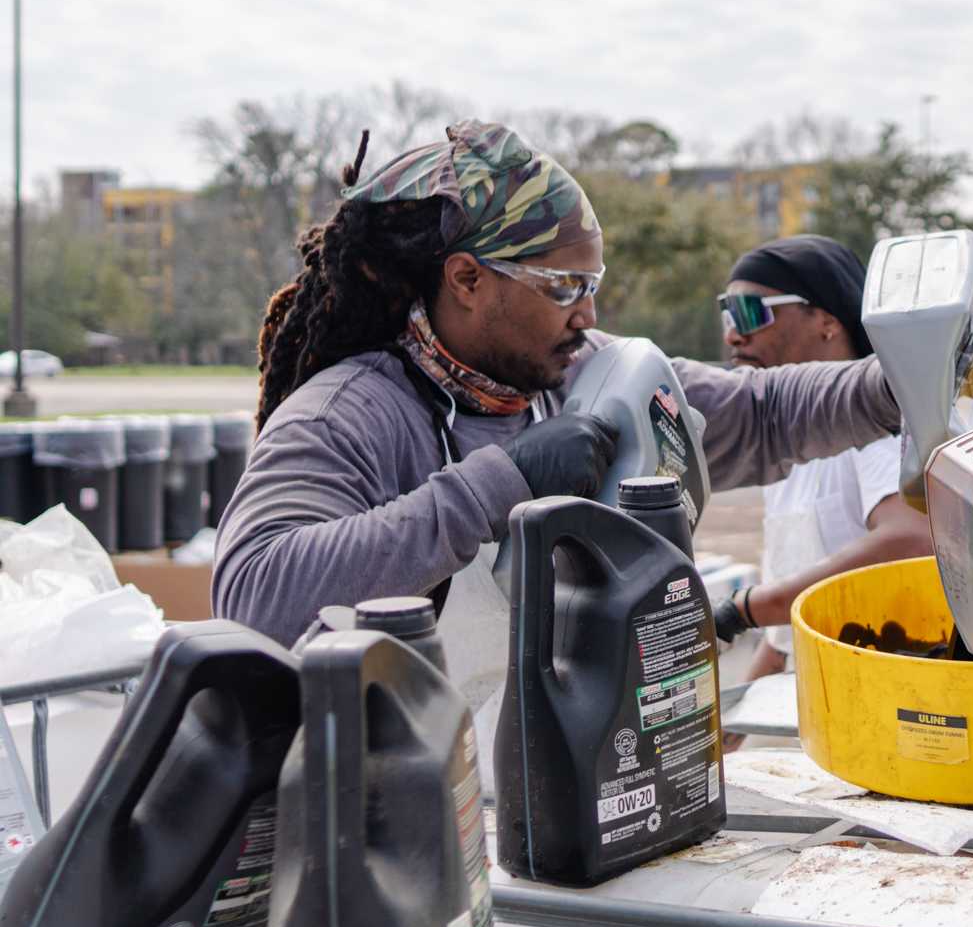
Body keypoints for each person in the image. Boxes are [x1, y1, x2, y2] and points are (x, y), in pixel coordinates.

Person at [213, 120, 907, 730]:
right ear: (467, 280)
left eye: (593, 286)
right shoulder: (351, 416)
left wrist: (900, 380)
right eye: (563, 288)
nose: (589, 316)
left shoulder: (588, 374)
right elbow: (255, 595)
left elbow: (761, 414)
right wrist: (497, 486)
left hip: (565, 769)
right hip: (412, 802)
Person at [706, 235, 933, 677]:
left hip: (885, 692)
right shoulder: (786, 444)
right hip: (823, 698)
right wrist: (738, 716)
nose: (733, 334)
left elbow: (912, 539)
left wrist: (745, 608)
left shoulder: (878, 424)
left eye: (750, 312)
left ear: (826, 320)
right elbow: (788, 625)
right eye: (726, 315)